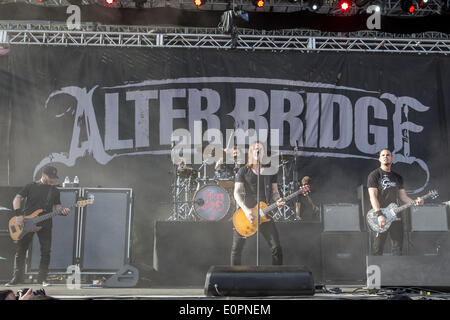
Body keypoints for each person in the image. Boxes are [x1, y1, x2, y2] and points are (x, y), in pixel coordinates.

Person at [5, 165, 70, 287]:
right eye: (50, 177)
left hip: (45, 224)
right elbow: (17, 199)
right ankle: (17, 278)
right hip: (26, 223)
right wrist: (18, 215)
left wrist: (63, 212)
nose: (52, 180)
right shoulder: (31, 186)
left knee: (45, 251)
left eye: (53, 178)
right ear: (43, 175)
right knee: (21, 250)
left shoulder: (55, 191)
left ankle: (42, 279)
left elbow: (58, 207)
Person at [231, 141, 285, 265]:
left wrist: (278, 200)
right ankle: (234, 280)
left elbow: (275, 191)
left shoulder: (271, 171)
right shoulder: (243, 171)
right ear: (251, 152)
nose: (257, 151)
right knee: (236, 249)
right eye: (255, 149)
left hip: (265, 213)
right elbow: (236, 193)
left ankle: (276, 278)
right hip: (246, 214)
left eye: (260, 149)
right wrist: (246, 210)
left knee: (276, 247)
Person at [367, 149, 424, 255]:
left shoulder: (397, 177)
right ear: (379, 158)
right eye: (383, 155)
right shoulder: (374, 175)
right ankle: (377, 271)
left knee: (397, 249)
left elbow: (403, 196)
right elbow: (372, 197)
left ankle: (396, 271)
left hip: (395, 215)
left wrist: (415, 202)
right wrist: (379, 214)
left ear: (392, 158)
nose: (385, 157)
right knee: (377, 248)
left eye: (388, 155)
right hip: (380, 216)